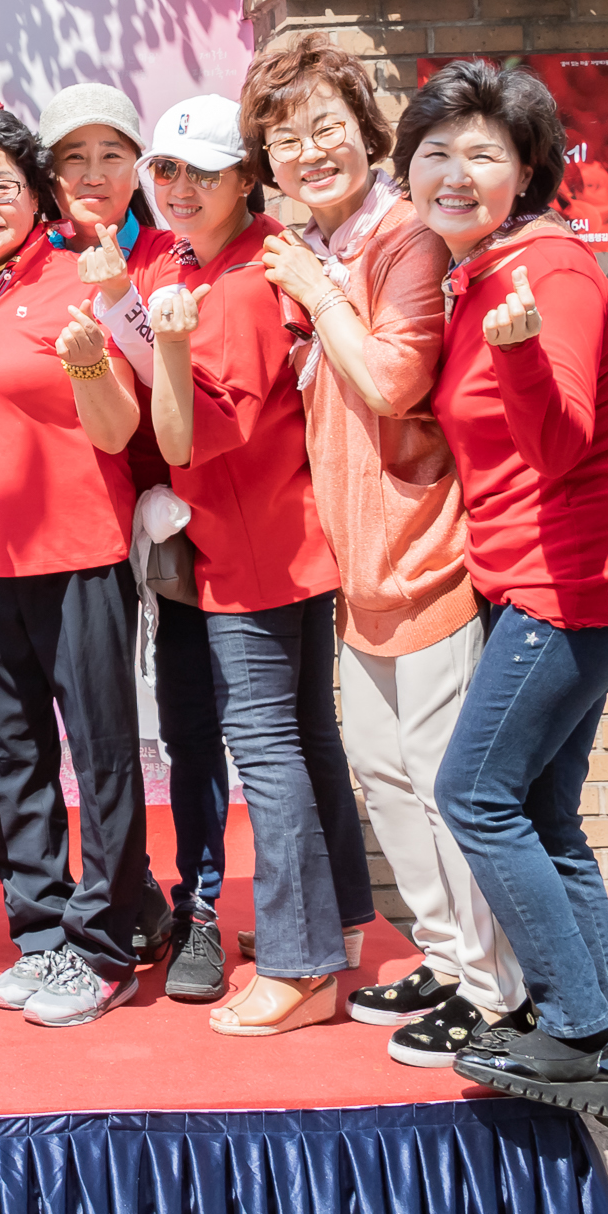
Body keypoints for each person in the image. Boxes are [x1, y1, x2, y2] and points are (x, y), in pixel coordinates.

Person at [398, 60, 608, 1127]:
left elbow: (560, 447)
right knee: (547, 817)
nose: (454, 173)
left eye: (483, 154)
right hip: (552, 583)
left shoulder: (545, 273)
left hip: (577, 587)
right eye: (435, 152)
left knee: (475, 794)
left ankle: (576, 1029)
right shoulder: (478, 272)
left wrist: (515, 358)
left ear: (527, 172)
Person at [244, 42, 528, 1068]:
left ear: (370, 135)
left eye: (327, 128)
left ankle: (495, 993)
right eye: (286, 138)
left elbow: (397, 381)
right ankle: (448, 959)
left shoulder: (402, 237)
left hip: (426, 551)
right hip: (358, 562)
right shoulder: (317, 245)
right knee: (383, 772)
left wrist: (318, 292)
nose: (310, 151)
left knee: (445, 785)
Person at [135, 94, 373, 1039]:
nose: (181, 188)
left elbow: (196, 438)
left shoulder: (237, 282)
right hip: (284, 538)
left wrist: (161, 348)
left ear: (245, 180)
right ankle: (338, 927)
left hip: (255, 549)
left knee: (268, 748)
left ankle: (299, 966)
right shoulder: (231, 256)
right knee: (308, 739)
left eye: (204, 171)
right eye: (167, 169)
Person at [0, 102, 153, 1029]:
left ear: (37, 196)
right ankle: (43, 932)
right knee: (12, 754)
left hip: (80, 553)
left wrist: (92, 363)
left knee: (101, 755)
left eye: (1, 185)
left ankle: (106, 945)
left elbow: (122, 429)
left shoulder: (81, 280)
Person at [38, 80, 226, 1000]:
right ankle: (135, 897)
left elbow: (172, 381)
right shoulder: (30, 262)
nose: (93, 174)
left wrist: (120, 294)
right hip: (80, 537)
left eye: (112, 154)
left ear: (141, 170)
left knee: (191, 724)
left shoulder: (172, 256)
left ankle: (201, 910)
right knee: (97, 732)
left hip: (189, 524)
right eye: (72, 158)